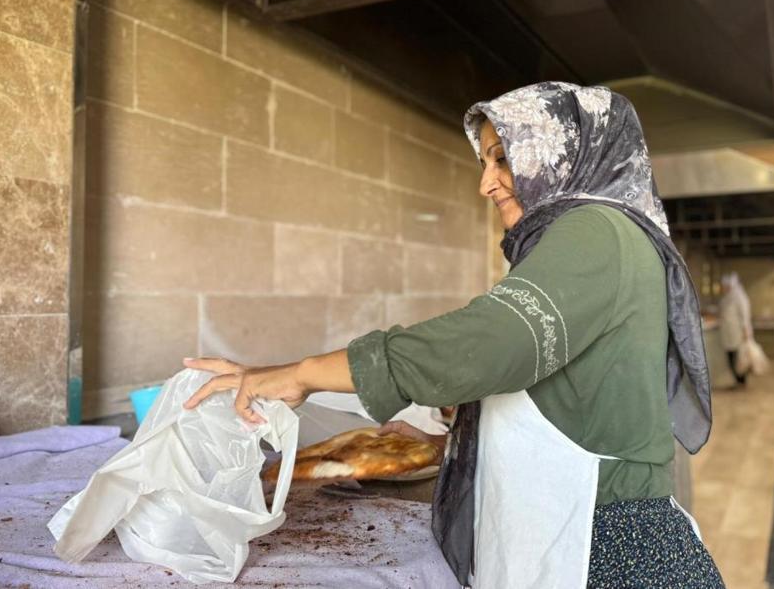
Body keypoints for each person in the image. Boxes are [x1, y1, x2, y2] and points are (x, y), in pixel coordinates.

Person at [182, 83, 723, 588]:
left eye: (503, 158)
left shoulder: (598, 230)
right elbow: (574, 396)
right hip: (583, 528)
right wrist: (451, 440)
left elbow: (486, 344)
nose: (486, 183)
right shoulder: (592, 237)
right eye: (485, 160)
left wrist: (300, 375)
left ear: (563, 154)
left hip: (607, 547)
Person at [719, 273, 753, 386]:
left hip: (737, 332)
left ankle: (741, 379)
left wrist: (745, 330)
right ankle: (737, 379)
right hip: (728, 332)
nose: (725, 288)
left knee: (739, 358)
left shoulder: (740, 297)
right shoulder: (726, 298)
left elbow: (745, 315)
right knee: (730, 357)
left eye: (727, 286)